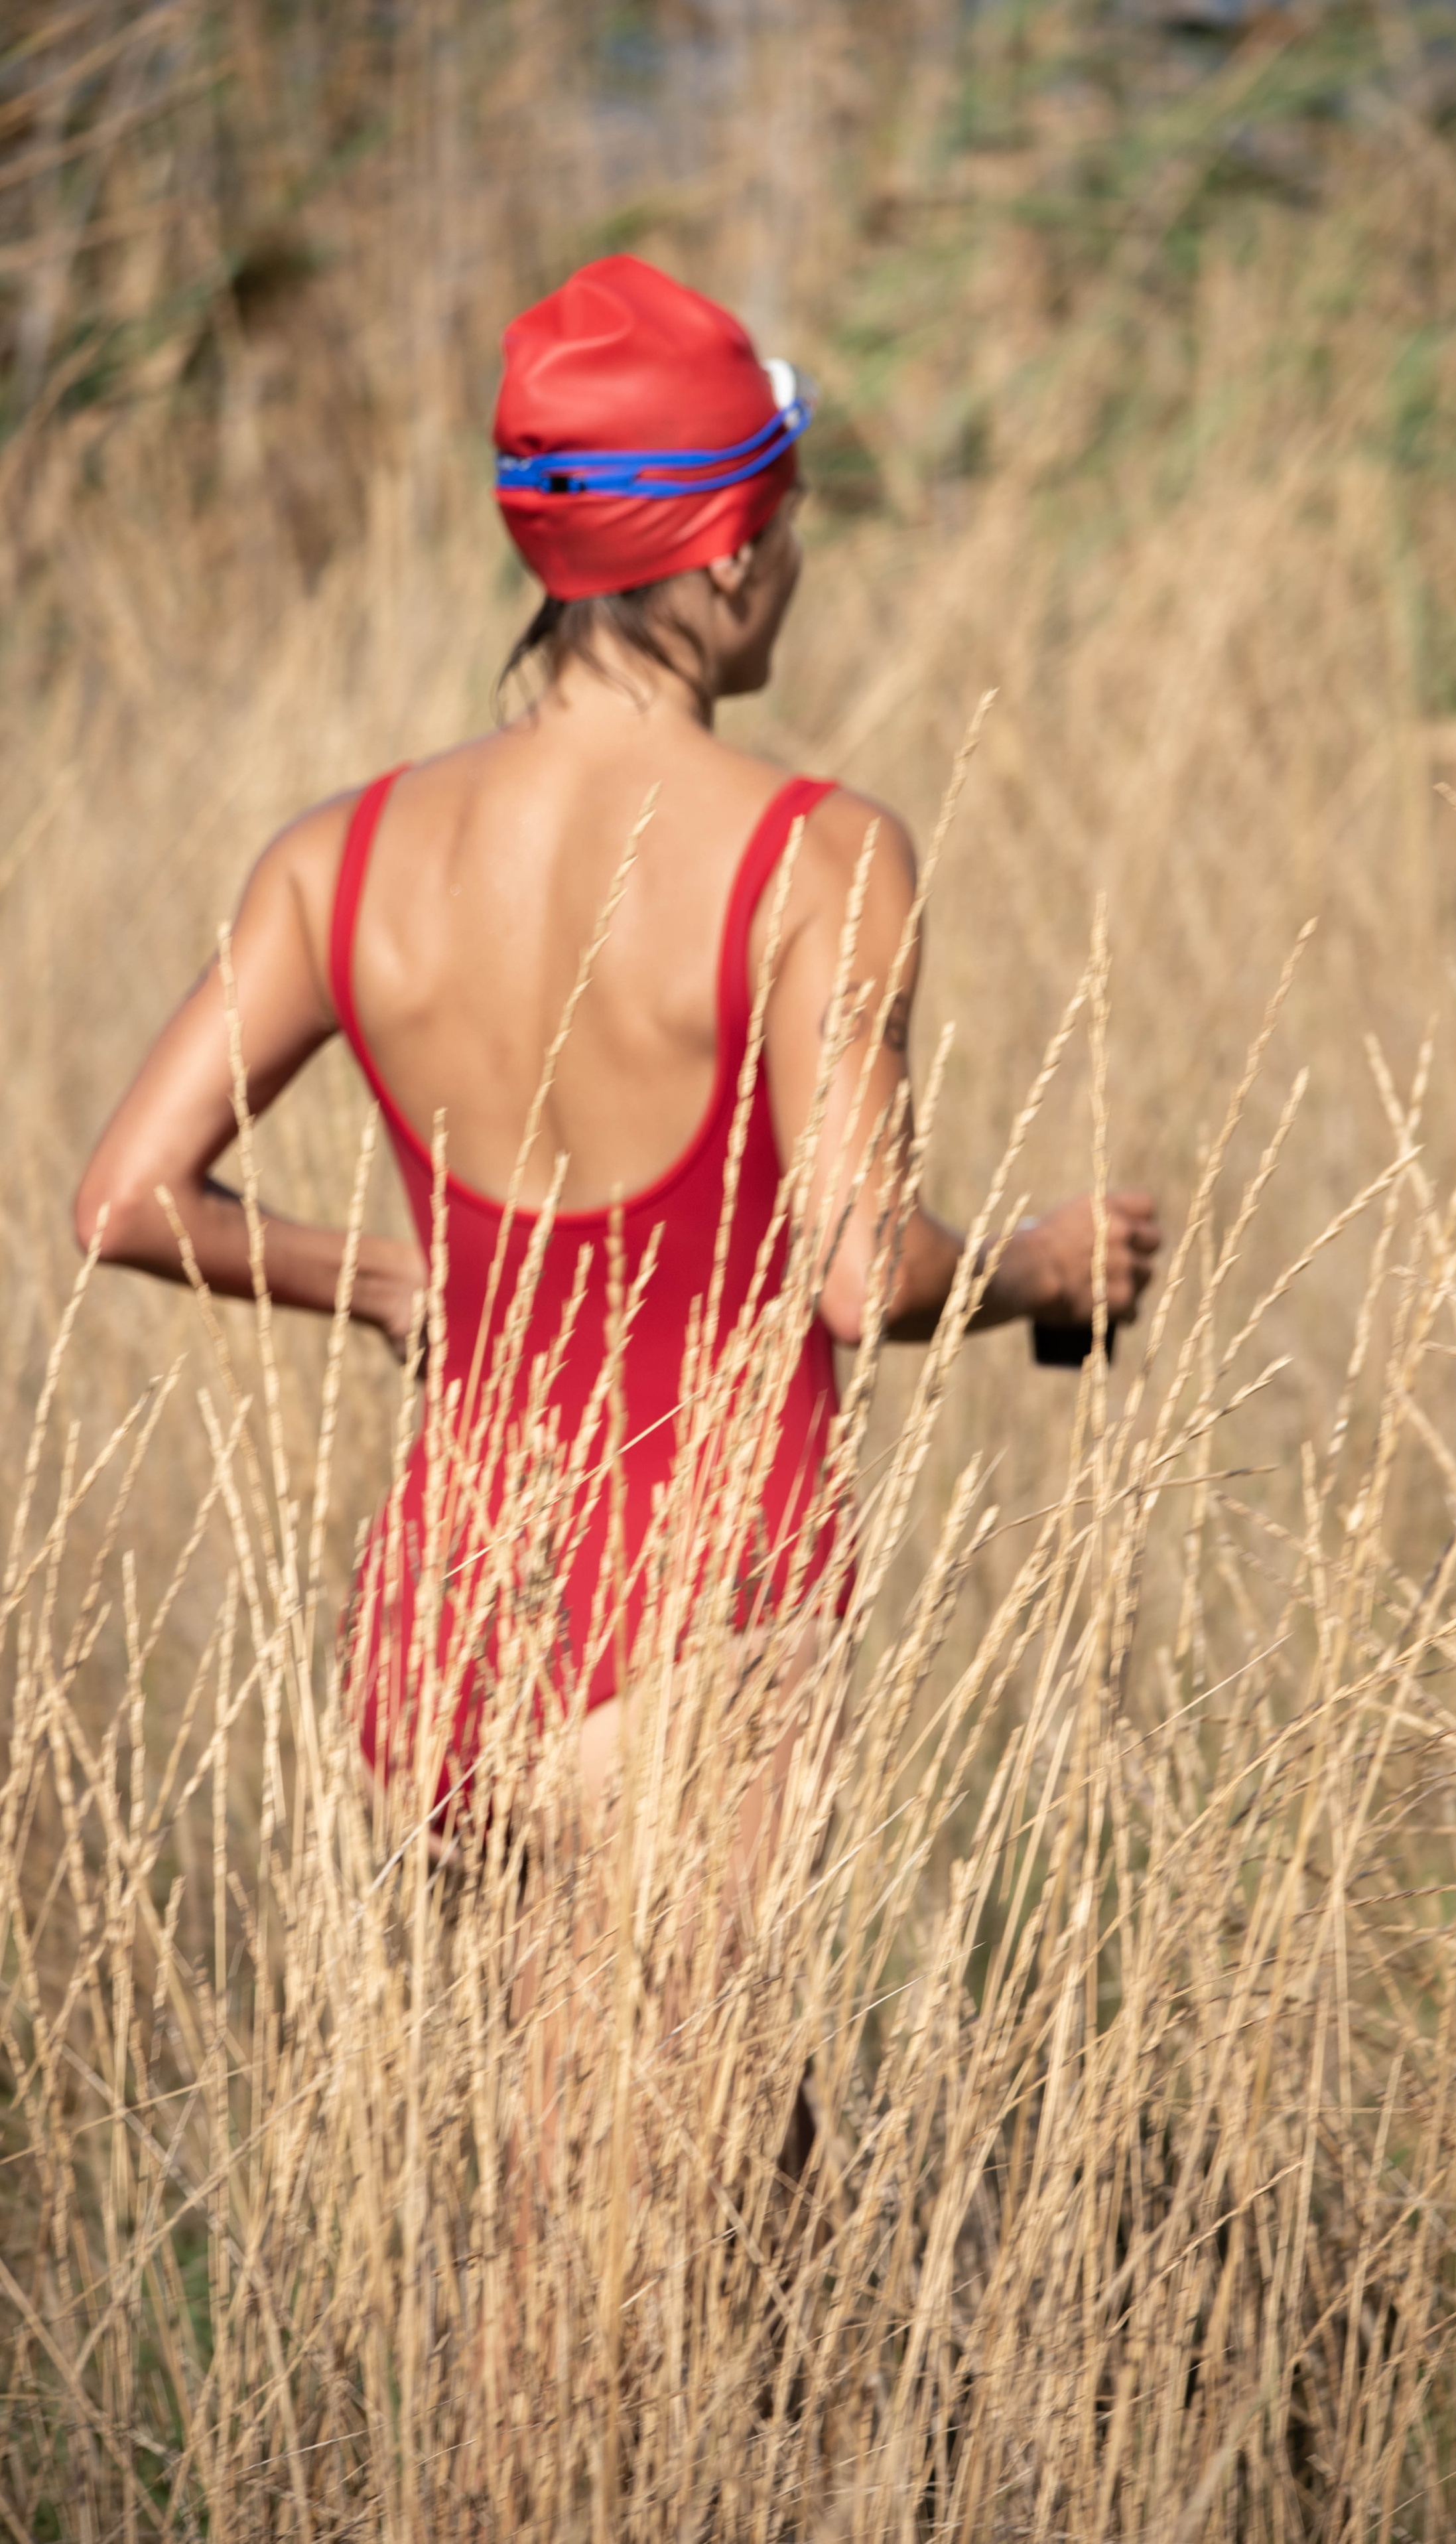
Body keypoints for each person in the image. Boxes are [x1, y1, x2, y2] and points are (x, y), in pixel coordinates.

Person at [73, 254, 1162, 1861]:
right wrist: (1041, 1267)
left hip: (451, 1617)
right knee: (675, 2120)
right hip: (697, 1613)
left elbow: (123, 1201)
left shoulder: (336, 857)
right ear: (724, 556)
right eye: (787, 530)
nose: (794, 567)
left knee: (638, 2118)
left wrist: (384, 1281)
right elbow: (862, 1279)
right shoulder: (815, 858)